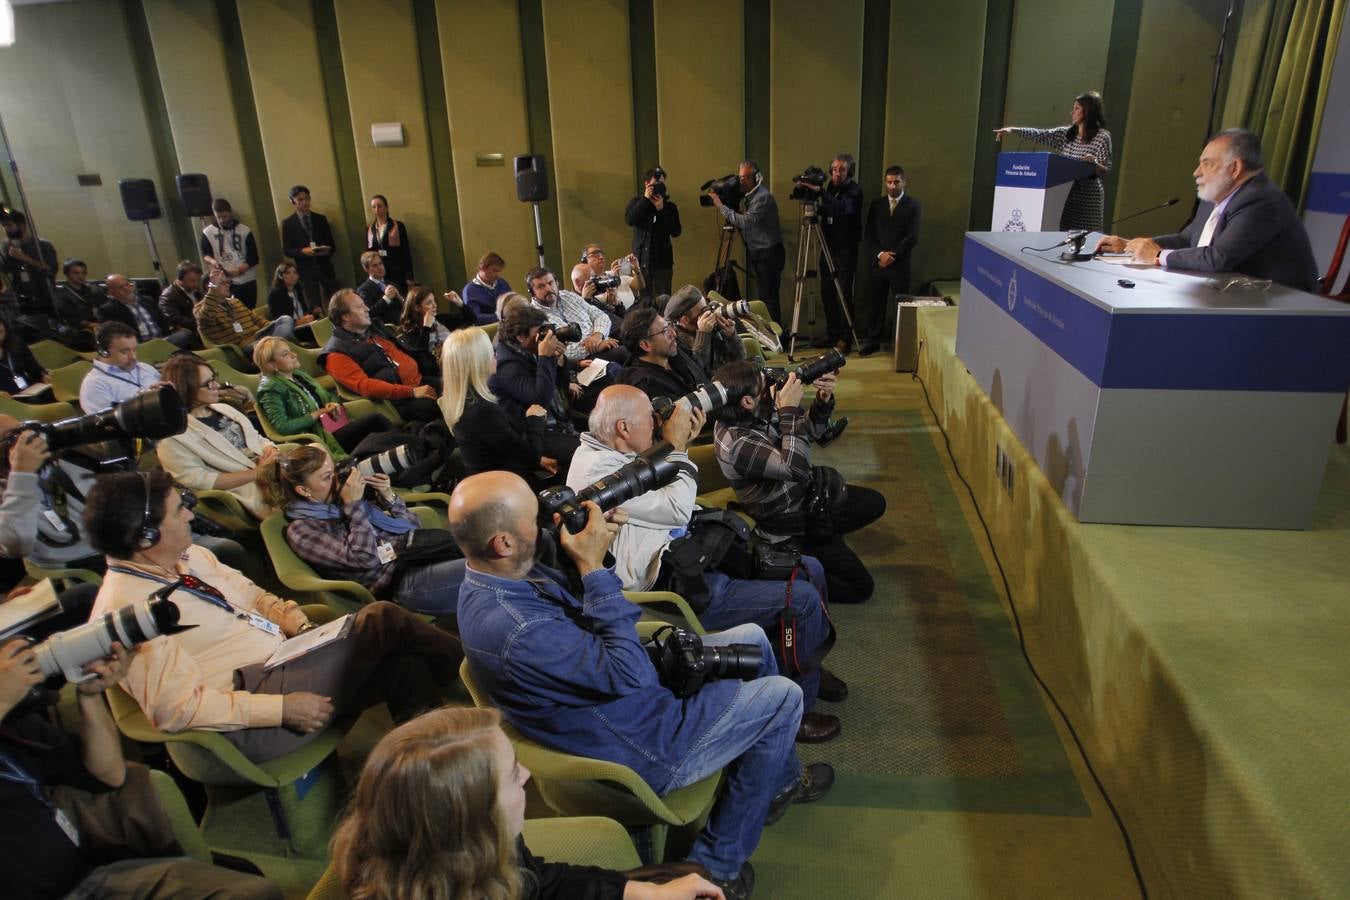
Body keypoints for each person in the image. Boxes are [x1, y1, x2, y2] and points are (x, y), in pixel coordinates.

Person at [451, 471, 834, 898]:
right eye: (530, 518)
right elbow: (629, 675)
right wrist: (593, 568)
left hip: (615, 702)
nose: (542, 523)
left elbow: (587, 632)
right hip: (641, 742)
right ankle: (717, 865)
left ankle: (776, 782)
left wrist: (593, 545)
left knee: (753, 640)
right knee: (784, 698)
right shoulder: (517, 628)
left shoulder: (495, 575)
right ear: (502, 542)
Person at [85, 469, 466, 763]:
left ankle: (439, 762)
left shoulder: (189, 557)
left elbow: (251, 594)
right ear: (146, 537)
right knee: (382, 618)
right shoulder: (126, 612)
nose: (190, 512)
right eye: (178, 508)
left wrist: (292, 619)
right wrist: (281, 708)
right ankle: (487, 677)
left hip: (285, 659)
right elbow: (176, 709)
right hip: (251, 712)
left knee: (406, 669)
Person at [570, 385, 844, 741]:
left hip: (696, 551)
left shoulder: (614, 447)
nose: (657, 425)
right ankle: (797, 713)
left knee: (809, 568)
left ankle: (806, 660)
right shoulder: (597, 478)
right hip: (675, 583)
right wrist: (679, 447)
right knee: (802, 600)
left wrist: (675, 442)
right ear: (623, 428)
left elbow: (670, 496)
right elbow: (677, 507)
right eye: (649, 421)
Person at [0, 621, 282, 899]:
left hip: (83, 876)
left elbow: (108, 775)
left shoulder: (15, 727)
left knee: (255, 893)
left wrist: (90, 694)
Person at [331, 705, 724, 900]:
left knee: (687, 875)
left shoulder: (465, 845)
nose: (528, 778)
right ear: (473, 820)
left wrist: (640, 893)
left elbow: (534, 880)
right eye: (513, 776)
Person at [712, 360, 884, 603]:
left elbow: (811, 432)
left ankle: (824, 540)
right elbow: (797, 468)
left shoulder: (753, 408)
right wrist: (788, 412)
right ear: (747, 401)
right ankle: (793, 562)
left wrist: (823, 398)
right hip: (789, 521)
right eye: (764, 387)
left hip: (807, 496)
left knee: (875, 503)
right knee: (860, 588)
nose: (772, 388)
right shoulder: (737, 443)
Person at [1094, 127, 1319, 292]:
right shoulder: (1217, 195)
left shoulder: (1261, 201)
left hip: (1281, 304)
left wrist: (1157, 255)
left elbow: (1217, 258)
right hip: (1232, 294)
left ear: (1235, 168)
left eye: (1206, 163)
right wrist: (1130, 245)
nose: (1196, 172)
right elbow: (1186, 240)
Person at [257, 444, 467, 615]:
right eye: (326, 477)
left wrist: (389, 497)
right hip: (400, 583)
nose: (338, 479)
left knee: (487, 552)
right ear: (304, 490)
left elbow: (412, 528)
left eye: (334, 469)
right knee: (490, 569)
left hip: (417, 555)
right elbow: (365, 558)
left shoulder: (337, 503)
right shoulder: (302, 531)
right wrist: (354, 506)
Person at [156, 355, 278, 520]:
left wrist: (270, 449)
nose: (216, 386)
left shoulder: (223, 407)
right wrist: (258, 473)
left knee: (315, 454)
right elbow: (198, 480)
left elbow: (257, 439)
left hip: (267, 467)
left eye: (214, 378)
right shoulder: (172, 436)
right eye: (207, 384)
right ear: (187, 389)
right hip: (244, 485)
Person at [441, 326, 556, 486]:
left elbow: (508, 446)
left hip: (487, 481)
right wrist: (534, 418)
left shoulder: (459, 400)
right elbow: (531, 455)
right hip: (503, 489)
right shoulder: (483, 411)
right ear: (478, 362)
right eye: (490, 352)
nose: (495, 354)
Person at [254, 336, 391, 457]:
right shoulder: (270, 390)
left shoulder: (299, 375)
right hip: (317, 439)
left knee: (380, 432)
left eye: (290, 350)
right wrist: (317, 413)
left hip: (333, 426)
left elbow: (328, 397)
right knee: (376, 421)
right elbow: (283, 427)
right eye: (285, 354)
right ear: (271, 365)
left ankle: (399, 457)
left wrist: (332, 404)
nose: (294, 355)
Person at [995, 91, 1113, 231]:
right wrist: (1013, 130)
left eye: (1076, 108)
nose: (1072, 112)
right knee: (1064, 237)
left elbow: (1105, 170)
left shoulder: (1102, 137)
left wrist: (1094, 163)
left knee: (1086, 239)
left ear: (1088, 111)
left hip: (1088, 198)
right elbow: (1041, 135)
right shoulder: (1067, 134)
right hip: (1066, 195)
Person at [320, 288, 442, 423]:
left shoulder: (374, 329)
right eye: (360, 307)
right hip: (399, 402)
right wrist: (412, 391)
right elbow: (366, 386)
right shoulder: (336, 353)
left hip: (420, 382)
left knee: (461, 386)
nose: (367, 309)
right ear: (346, 316)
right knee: (443, 405)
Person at [491, 301, 583, 471]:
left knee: (603, 428)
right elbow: (540, 401)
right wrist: (545, 358)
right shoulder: (506, 365)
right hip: (534, 432)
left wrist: (559, 360)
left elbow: (560, 387)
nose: (544, 336)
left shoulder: (529, 349)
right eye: (539, 332)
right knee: (586, 452)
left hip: (557, 419)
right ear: (520, 337)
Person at [798, 155, 863, 352]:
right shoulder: (831, 188)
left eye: (841, 170)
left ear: (849, 172)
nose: (836, 173)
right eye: (834, 169)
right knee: (826, 292)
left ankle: (846, 338)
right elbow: (827, 209)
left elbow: (841, 209)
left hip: (845, 250)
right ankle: (832, 333)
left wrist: (821, 192)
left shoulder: (854, 191)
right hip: (827, 246)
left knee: (842, 293)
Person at [708, 161, 785, 325]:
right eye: (740, 177)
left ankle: (775, 336)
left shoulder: (762, 197)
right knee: (765, 295)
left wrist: (721, 205)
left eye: (746, 177)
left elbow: (746, 222)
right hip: (759, 251)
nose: (741, 181)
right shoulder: (750, 196)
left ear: (757, 177)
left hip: (768, 253)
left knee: (768, 297)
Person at [860, 166, 921, 357]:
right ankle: (873, 341)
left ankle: (900, 343)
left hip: (899, 264)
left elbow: (912, 237)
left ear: (904, 182)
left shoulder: (913, 205)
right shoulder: (876, 205)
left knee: (901, 305)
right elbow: (869, 235)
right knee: (875, 304)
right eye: (889, 182)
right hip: (878, 263)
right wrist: (880, 255)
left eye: (896, 182)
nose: (892, 186)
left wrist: (892, 256)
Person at [617, 307, 715, 405]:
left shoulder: (672, 350)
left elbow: (704, 370)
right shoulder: (648, 385)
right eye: (665, 331)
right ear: (646, 345)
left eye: (669, 326)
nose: (673, 334)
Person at [525, 266, 622, 363]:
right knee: (624, 354)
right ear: (532, 293)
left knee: (631, 339)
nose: (548, 289)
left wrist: (597, 335)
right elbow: (557, 352)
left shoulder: (568, 296)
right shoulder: (534, 318)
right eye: (541, 286)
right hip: (580, 362)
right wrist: (596, 346)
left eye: (550, 283)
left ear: (557, 283)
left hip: (603, 340)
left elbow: (600, 315)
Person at [193, 271, 295, 354]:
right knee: (272, 342)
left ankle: (275, 346)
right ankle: (277, 346)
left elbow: (258, 320)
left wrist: (275, 328)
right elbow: (206, 317)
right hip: (243, 348)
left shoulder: (235, 302)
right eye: (223, 283)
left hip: (260, 337)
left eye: (228, 282)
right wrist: (214, 287)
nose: (228, 285)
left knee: (285, 320)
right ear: (209, 287)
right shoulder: (200, 308)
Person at [625, 166, 683, 300]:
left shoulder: (670, 207)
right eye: (654, 184)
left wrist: (661, 209)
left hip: (662, 265)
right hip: (640, 264)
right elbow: (629, 220)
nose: (658, 187)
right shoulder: (636, 203)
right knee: (641, 302)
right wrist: (645, 200)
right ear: (646, 184)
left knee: (662, 302)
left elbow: (676, 231)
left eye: (661, 184)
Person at [665, 286, 746, 378]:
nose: (708, 313)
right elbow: (696, 373)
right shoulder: (674, 341)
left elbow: (740, 359)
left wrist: (731, 336)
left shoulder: (714, 328)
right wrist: (703, 335)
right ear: (685, 320)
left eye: (707, 308)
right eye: (702, 312)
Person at [97, 273, 195, 350]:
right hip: (139, 346)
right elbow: (114, 336)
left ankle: (162, 349)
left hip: (162, 340)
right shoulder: (107, 310)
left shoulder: (147, 300)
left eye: (127, 285)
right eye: (120, 287)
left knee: (185, 333)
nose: (126, 289)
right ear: (111, 292)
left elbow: (163, 320)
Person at [79, 323, 161, 413]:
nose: (133, 357)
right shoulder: (95, 385)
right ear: (104, 352)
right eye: (124, 352)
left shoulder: (144, 368)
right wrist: (141, 403)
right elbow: (109, 423)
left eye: (134, 350)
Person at [279, 184, 338, 305]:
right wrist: (303, 252)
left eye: (306, 198)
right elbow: (287, 250)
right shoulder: (288, 223)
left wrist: (326, 250)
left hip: (325, 267)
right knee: (315, 305)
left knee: (336, 301)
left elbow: (332, 245)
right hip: (306, 270)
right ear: (293, 202)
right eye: (300, 199)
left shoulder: (320, 219)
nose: (305, 202)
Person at [200, 198, 260, 308]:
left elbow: (254, 257)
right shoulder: (208, 232)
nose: (222, 220)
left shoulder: (244, 230)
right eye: (219, 217)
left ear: (230, 213)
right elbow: (205, 254)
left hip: (246, 280)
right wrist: (214, 262)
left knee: (249, 311)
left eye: (225, 216)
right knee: (231, 312)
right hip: (226, 281)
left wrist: (239, 270)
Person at [1, 210, 58, 316]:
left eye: (9, 225)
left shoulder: (43, 245)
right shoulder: (7, 246)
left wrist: (25, 258)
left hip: (45, 301)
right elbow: (4, 270)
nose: (6, 230)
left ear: (21, 226)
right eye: (3, 226)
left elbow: (50, 272)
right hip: (21, 302)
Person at [397, 286, 464, 362]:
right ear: (417, 307)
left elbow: (471, 319)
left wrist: (459, 302)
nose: (435, 305)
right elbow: (420, 357)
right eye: (429, 303)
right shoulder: (410, 331)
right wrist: (426, 327)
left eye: (434, 301)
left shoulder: (440, 319)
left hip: (455, 360)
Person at [365, 194, 414, 294]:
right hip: (379, 273)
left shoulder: (397, 226)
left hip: (397, 271)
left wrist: (409, 276)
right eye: (374, 207)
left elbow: (405, 251)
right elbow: (369, 253)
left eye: (379, 206)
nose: (377, 209)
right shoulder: (370, 229)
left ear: (386, 208)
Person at [0, 317, 48, 396]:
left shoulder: (16, 343)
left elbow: (33, 368)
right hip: (5, 400)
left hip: (28, 390)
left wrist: (43, 375)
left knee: (54, 392)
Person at [157, 261, 204, 340]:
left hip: (202, 328)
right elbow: (175, 320)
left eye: (197, 280)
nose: (196, 284)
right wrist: (202, 322)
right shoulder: (168, 296)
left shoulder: (196, 291)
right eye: (192, 280)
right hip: (190, 333)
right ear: (180, 278)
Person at [53, 259, 103, 334]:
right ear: (67, 274)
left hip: (98, 323)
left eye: (83, 273)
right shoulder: (61, 294)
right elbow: (72, 320)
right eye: (76, 273)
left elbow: (103, 306)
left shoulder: (90, 289)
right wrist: (94, 325)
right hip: (81, 330)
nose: (81, 276)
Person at [461, 251, 511, 324]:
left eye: (499, 271)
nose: (497, 274)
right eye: (494, 270)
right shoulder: (470, 290)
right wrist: (501, 316)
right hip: (487, 329)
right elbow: (475, 317)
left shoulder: (502, 283)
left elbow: (512, 303)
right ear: (483, 268)